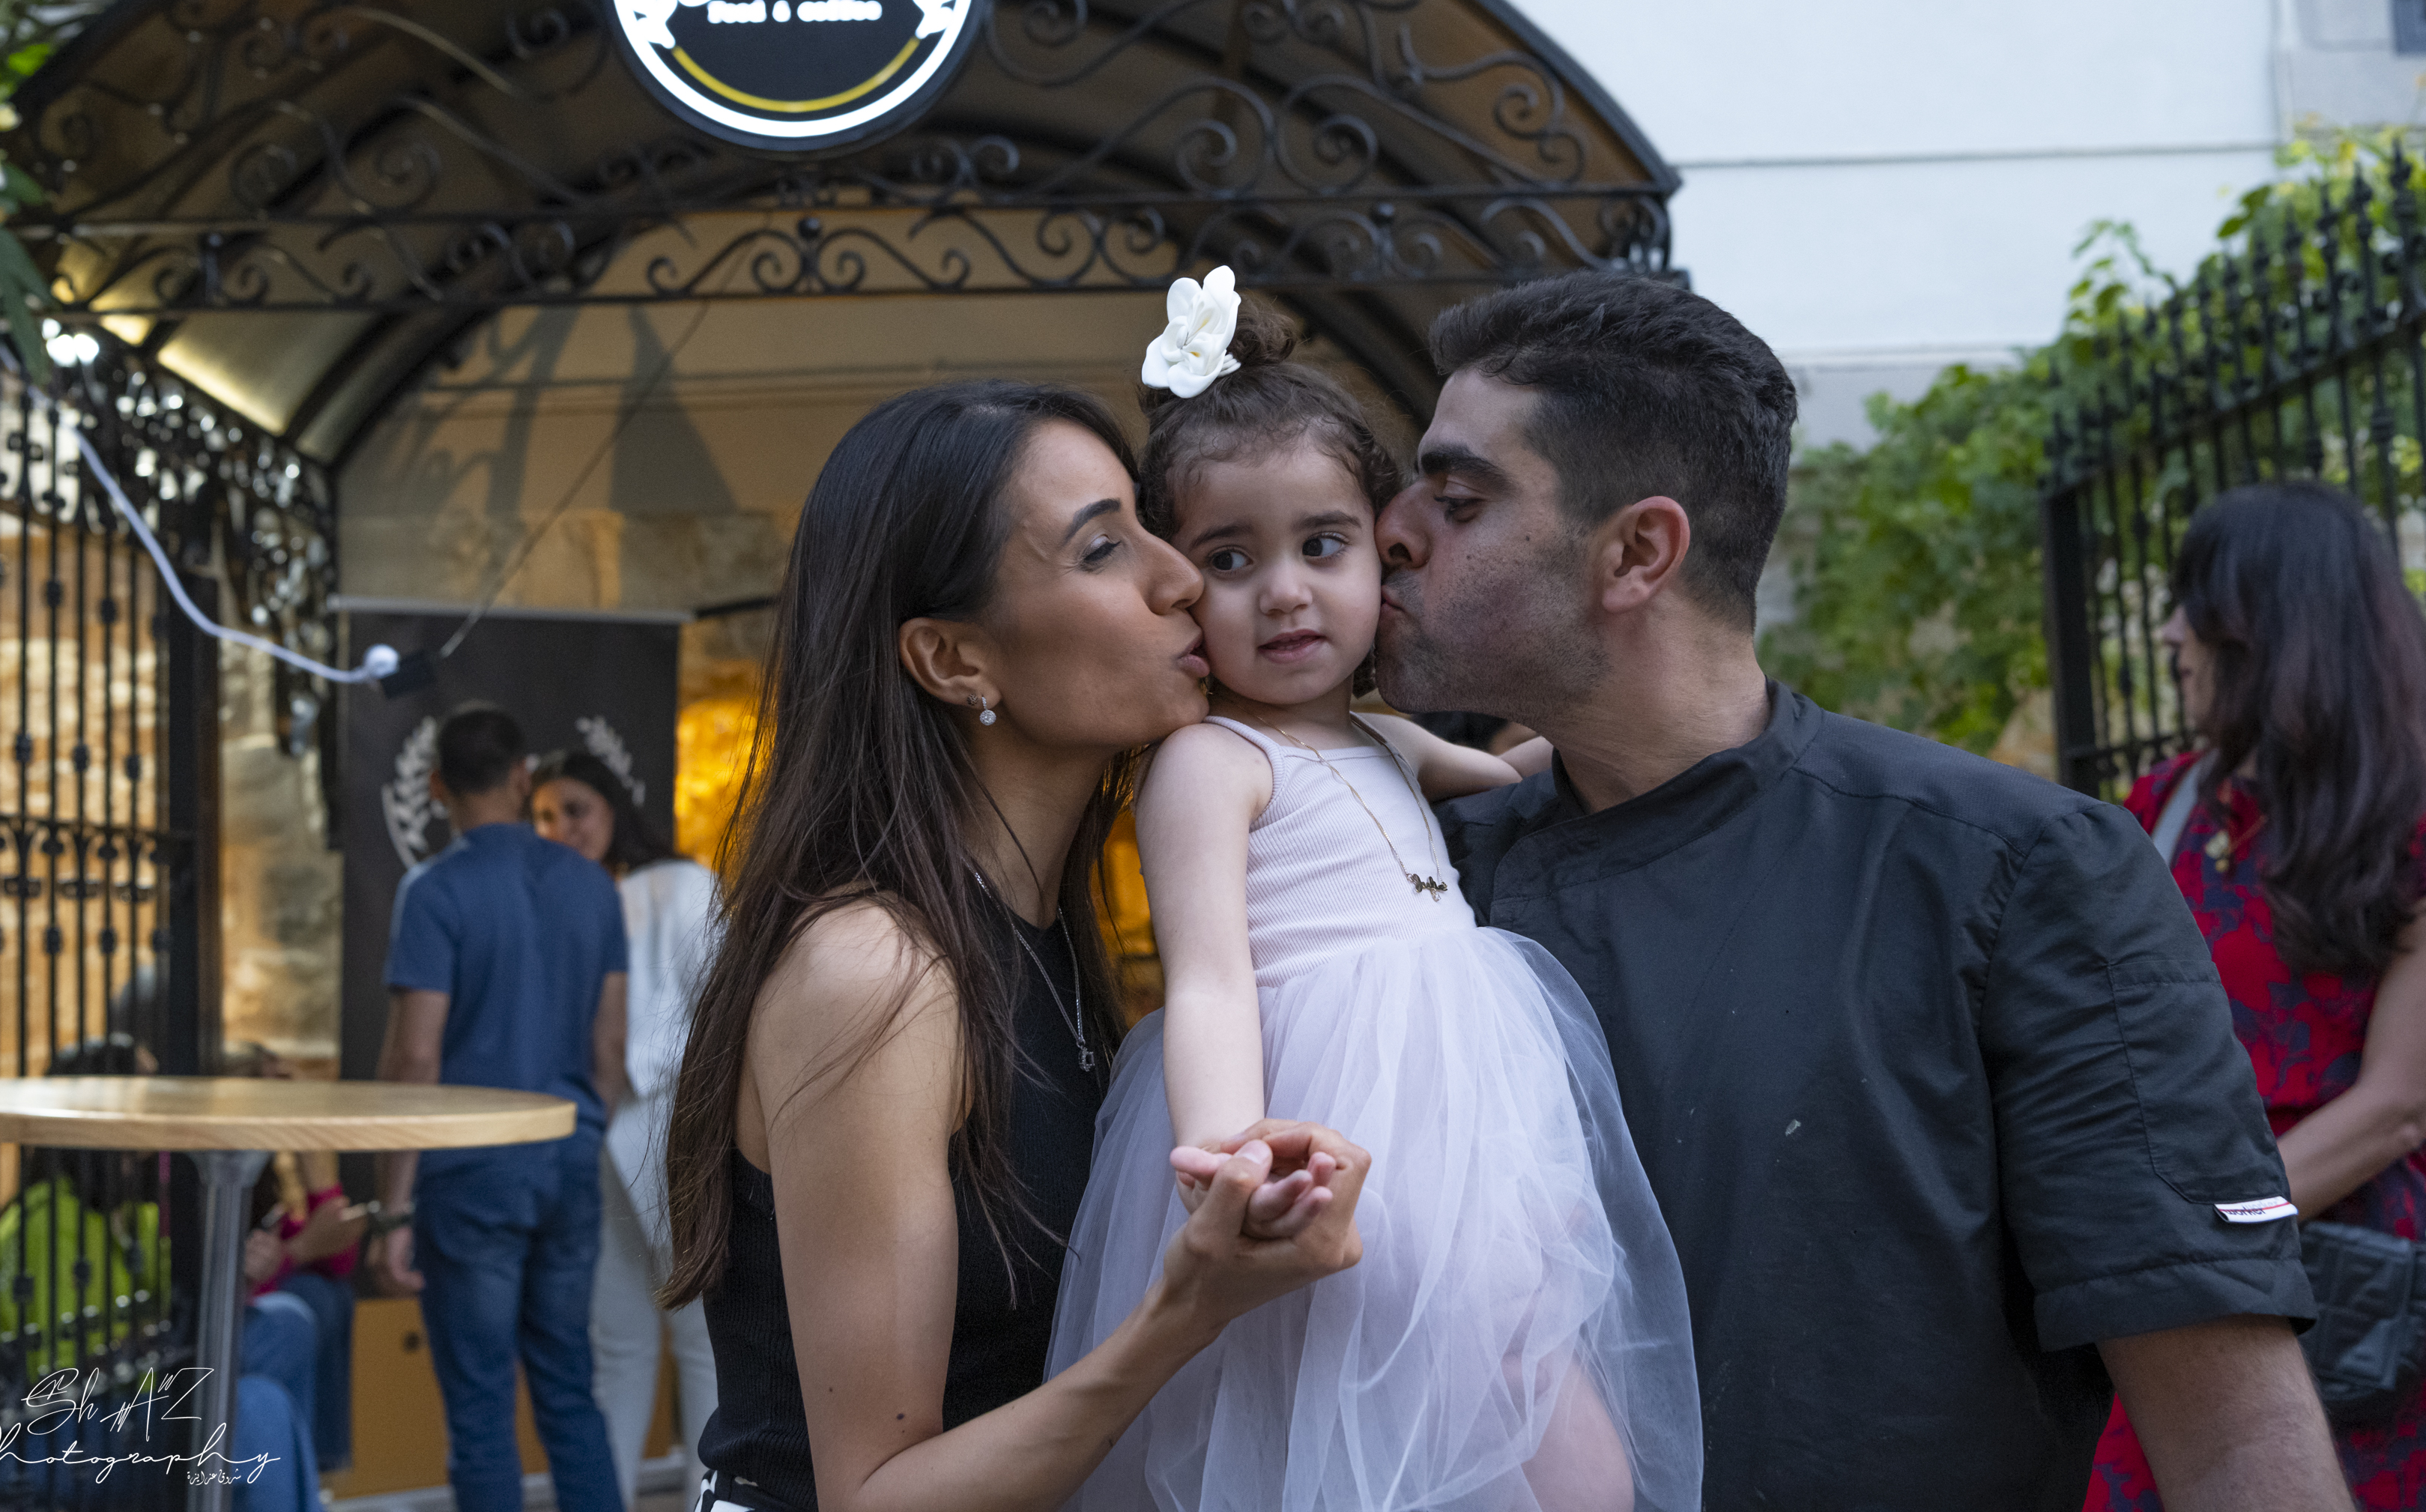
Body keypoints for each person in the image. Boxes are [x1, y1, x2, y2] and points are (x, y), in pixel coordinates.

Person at [1384, 270, 2351, 1510]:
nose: (1393, 529)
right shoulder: (1416, 880)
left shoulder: (2013, 871)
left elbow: (2233, 1438)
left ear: (1636, 552)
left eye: (1459, 498)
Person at [658, 381, 1373, 1512]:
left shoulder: (1043, 933)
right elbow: (874, 1494)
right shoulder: (877, 971)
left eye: (1149, 525)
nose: (1182, 577)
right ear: (953, 660)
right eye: (1103, 549)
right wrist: (1187, 1308)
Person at [1044, 286, 1699, 1510]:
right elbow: (1210, 976)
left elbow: (1517, 769)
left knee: (1549, 1420)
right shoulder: (1212, 762)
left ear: (1381, 554)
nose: (1285, 591)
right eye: (1230, 560)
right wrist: (1232, 1150)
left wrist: (1639, 701)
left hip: (1470, 1118)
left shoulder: (1385, 737)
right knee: (1376, 1418)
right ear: (1176, 585)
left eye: (1322, 545)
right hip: (1341, 1122)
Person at [2086, 480, 2426, 1508]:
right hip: (2178, 1281)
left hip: (2359, 1284)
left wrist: (2188, 1238)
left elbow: (2396, 1106)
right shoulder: (2160, 806)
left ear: (2263, 621)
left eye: (2191, 601)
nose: (2170, 633)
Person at [375, 703, 630, 1512]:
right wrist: (582, 1132)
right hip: (568, 1155)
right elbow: (610, 1046)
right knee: (570, 1388)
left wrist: (392, 1207)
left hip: (470, 1172)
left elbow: (415, 1056)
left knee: (481, 1408)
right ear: (523, 779)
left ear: (436, 785)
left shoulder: (432, 890)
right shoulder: (593, 885)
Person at [0, 1037, 320, 1512]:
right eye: (152, 1089)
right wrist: (183, 1365)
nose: (170, 1100)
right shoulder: (43, 1224)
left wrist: (236, 1284)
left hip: (138, 1392)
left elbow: (181, 1308)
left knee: (287, 1323)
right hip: (55, 1435)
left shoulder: (134, 1214)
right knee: (256, 1406)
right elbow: (67, 1378)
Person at [531, 748, 722, 1512]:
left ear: (612, 806)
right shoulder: (559, 898)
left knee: (704, 1339)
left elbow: (722, 1012)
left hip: (674, 1129)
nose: (561, 828)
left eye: (574, 809)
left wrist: (641, 1071)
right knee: (618, 1344)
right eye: (544, 816)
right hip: (590, 1139)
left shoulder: (683, 885)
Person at [224, 1041, 368, 1478]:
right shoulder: (201, 1171)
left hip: (245, 1308)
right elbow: (218, 1284)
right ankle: (306, 1472)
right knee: (305, 1306)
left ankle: (312, 1472)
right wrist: (298, 1252)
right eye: (275, 1090)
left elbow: (338, 1254)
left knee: (327, 1293)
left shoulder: (258, 1176)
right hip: (203, 1328)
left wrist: (308, 1143)